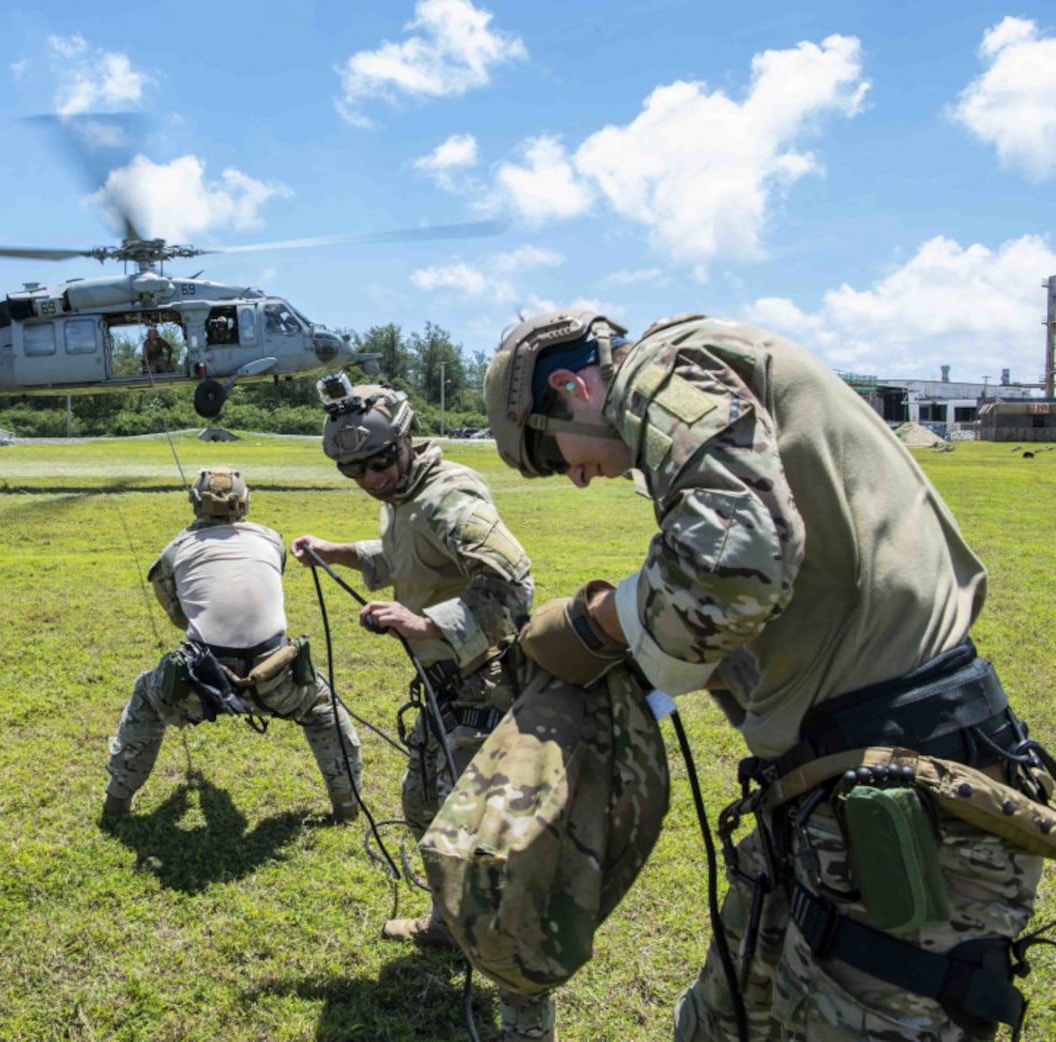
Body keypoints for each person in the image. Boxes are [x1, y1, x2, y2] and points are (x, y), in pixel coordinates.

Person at [482, 308, 1054, 1041]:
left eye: (553, 455)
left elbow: (734, 564)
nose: (577, 478)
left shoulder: (657, 370)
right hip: (830, 794)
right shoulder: (713, 394)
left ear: (571, 386)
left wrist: (606, 621)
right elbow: (764, 603)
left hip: (911, 809)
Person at [289, 373, 535, 944]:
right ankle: (450, 924)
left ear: (406, 440)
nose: (371, 479)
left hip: (484, 684)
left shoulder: (447, 496)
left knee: (475, 829)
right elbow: (409, 556)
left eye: (380, 462)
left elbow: (515, 585)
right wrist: (336, 552)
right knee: (423, 804)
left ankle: (505, 950)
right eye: (354, 470)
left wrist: (425, 624)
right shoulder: (404, 498)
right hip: (445, 683)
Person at [104, 467, 363, 824]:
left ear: (195, 504)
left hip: (203, 685)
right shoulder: (271, 539)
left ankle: (116, 803)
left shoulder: (175, 550)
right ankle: (346, 807)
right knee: (323, 708)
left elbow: (178, 615)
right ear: (245, 503)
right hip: (277, 680)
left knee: (148, 697)